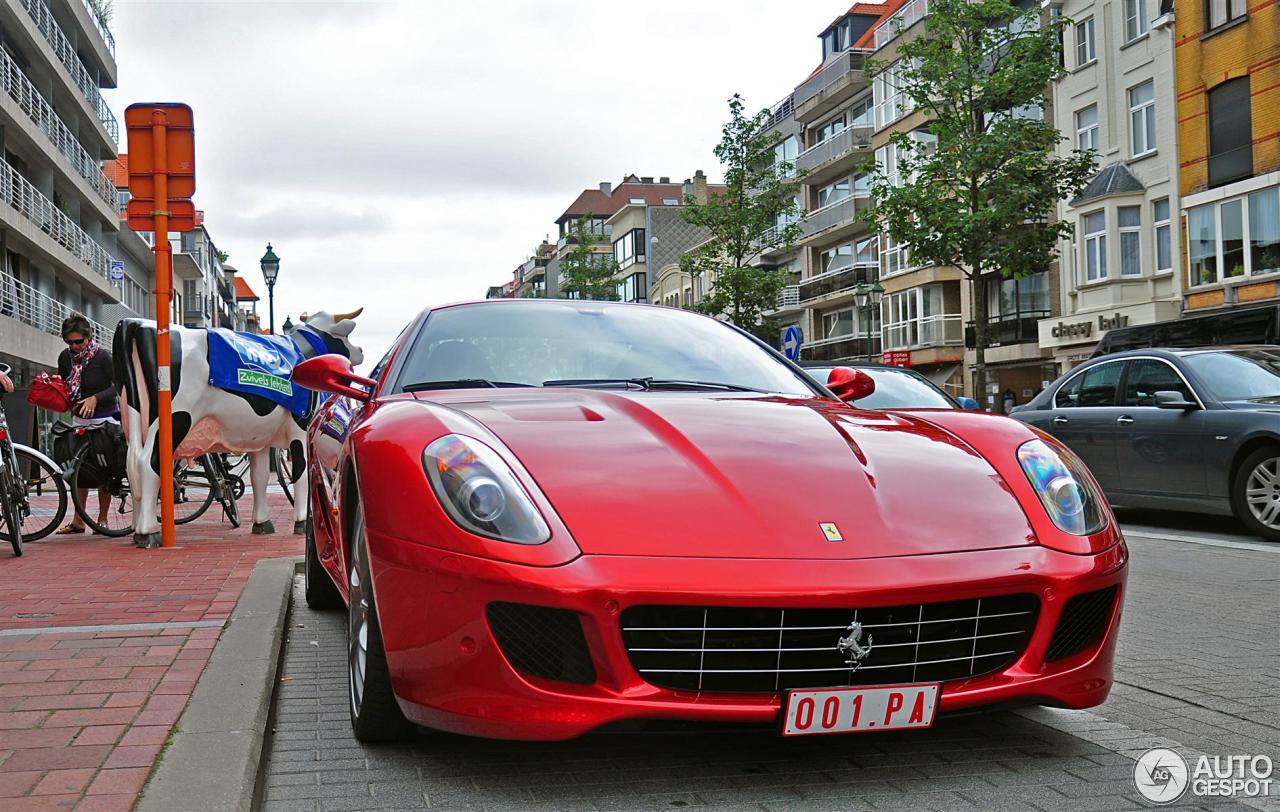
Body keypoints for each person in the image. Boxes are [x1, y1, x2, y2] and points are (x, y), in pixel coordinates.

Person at [55, 314, 118, 534]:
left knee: (105, 470)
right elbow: (65, 384)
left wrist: (95, 398)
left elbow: (118, 386)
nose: (74, 346)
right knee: (79, 471)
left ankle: (102, 519)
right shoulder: (65, 358)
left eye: (78, 341)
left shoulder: (103, 357)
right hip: (79, 419)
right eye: (69, 342)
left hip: (105, 420)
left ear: (89, 337)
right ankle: (78, 520)